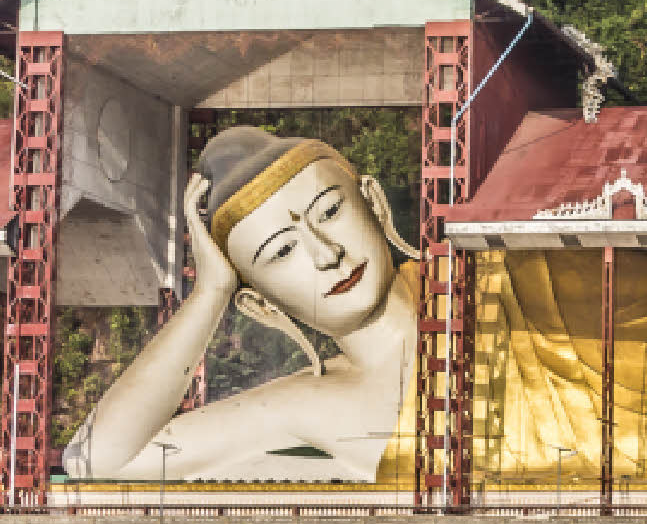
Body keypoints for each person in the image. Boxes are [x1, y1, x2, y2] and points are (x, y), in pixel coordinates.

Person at [59, 127, 417, 482]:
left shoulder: (466, 279)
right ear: (259, 305)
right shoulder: (306, 403)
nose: (326, 254)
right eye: (282, 251)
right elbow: (97, 458)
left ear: (374, 202)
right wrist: (210, 292)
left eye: (329, 211)